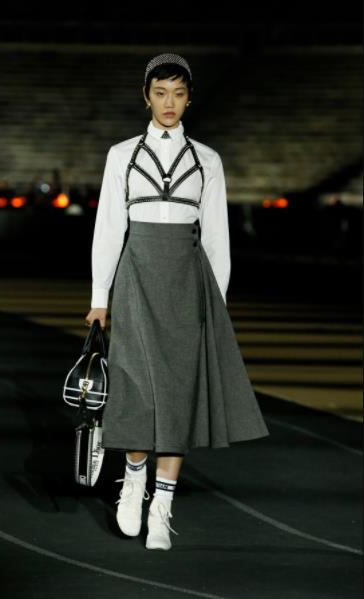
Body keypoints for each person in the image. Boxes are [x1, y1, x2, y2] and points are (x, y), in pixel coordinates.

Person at [85, 53, 270, 551]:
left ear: (189, 98)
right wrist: (100, 296)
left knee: (179, 393)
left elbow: (216, 238)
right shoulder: (121, 154)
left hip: (189, 284)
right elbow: (109, 228)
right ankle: (134, 482)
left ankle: (161, 509)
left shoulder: (208, 159)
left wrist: (218, 303)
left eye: (179, 94)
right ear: (146, 96)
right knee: (135, 386)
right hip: (137, 277)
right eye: (161, 93)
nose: (169, 103)